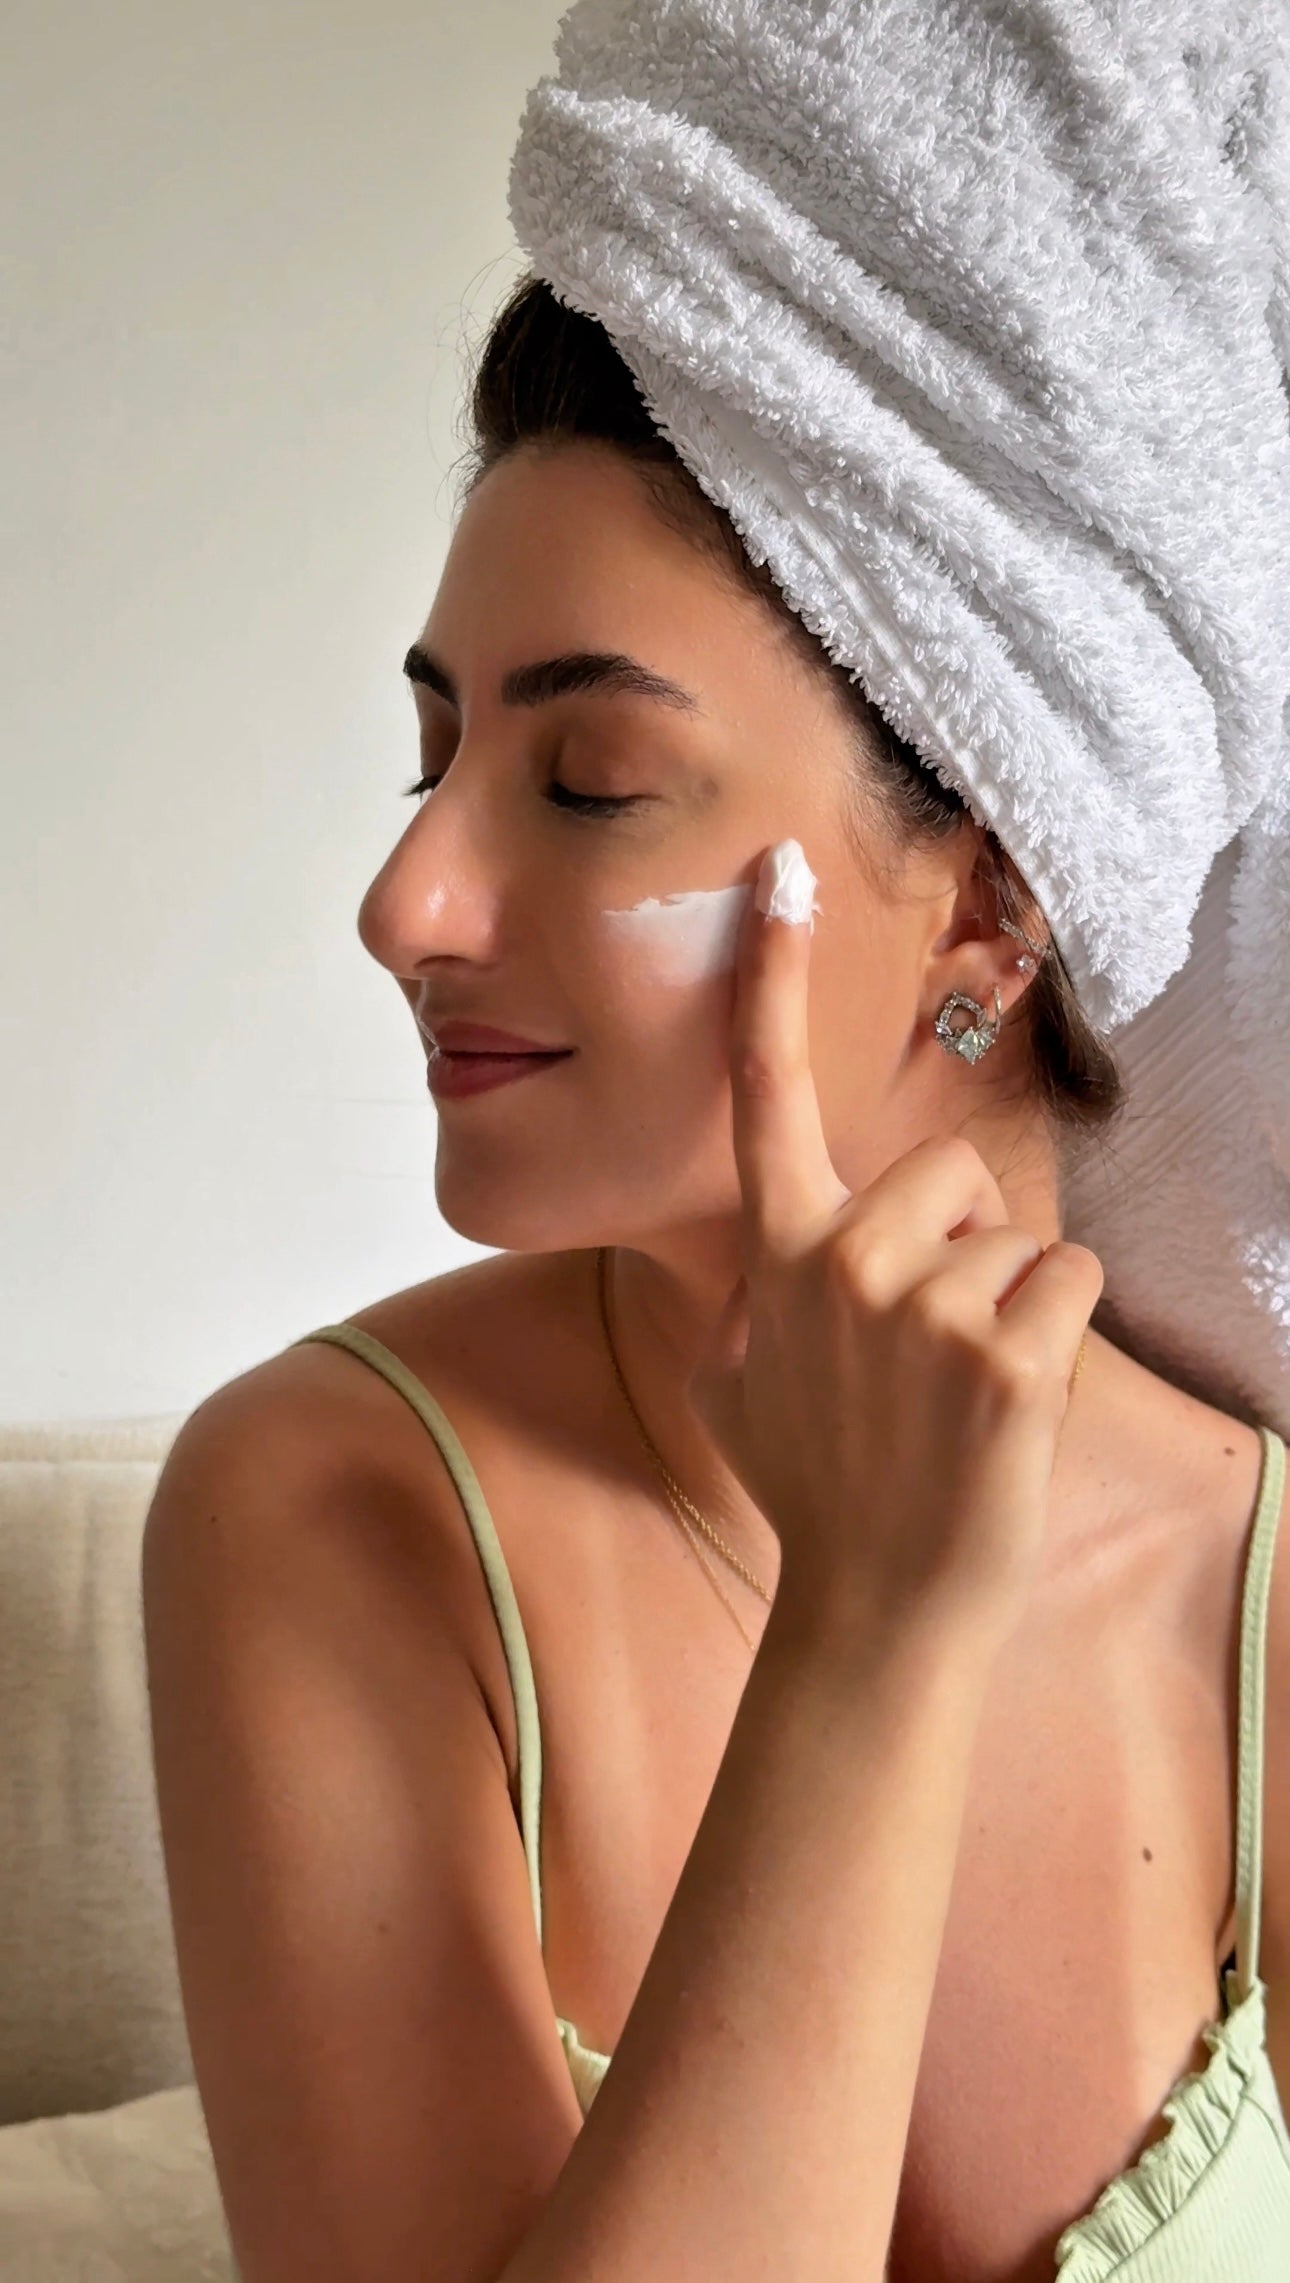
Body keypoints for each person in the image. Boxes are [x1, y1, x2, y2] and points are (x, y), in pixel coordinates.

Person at [142, 270, 1289, 2283]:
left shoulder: (1260, 1585)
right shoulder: (328, 1508)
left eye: (590, 780)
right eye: (435, 756)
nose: (403, 901)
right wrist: (866, 1627)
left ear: (995, 894)